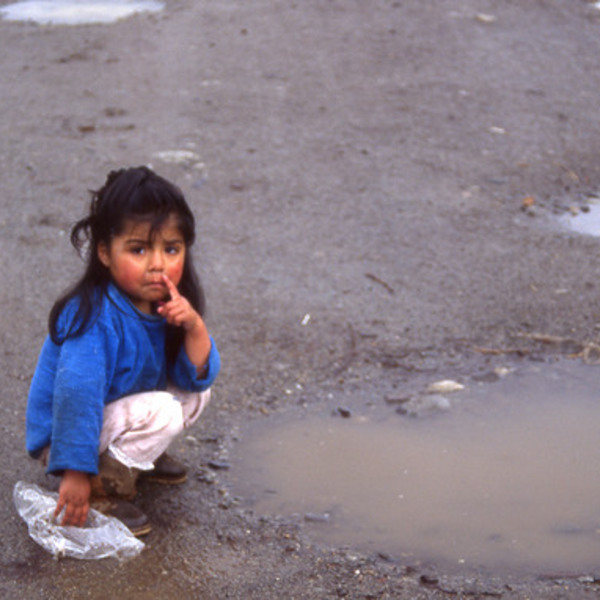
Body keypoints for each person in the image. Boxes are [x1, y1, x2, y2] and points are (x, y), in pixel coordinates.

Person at [25, 166, 220, 536]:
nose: (158, 264)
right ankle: (102, 486)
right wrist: (75, 473)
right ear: (104, 252)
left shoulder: (166, 304)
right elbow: (76, 396)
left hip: (110, 412)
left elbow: (191, 374)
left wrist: (194, 326)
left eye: (171, 248)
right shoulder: (95, 318)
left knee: (197, 391)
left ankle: (133, 458)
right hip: (66, 434)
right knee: (164, 411)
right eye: (139, 249)